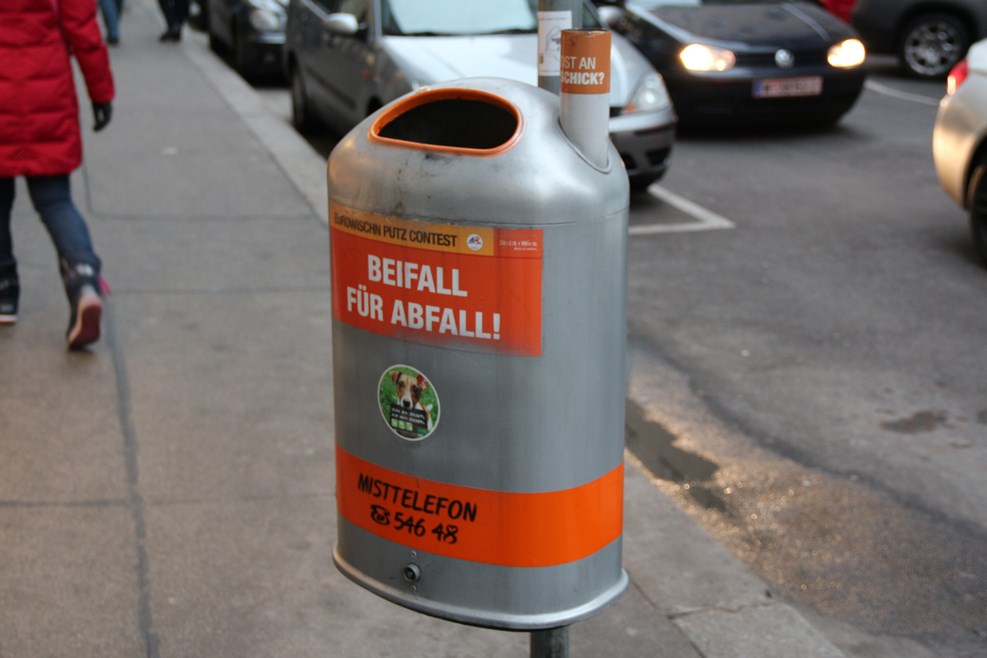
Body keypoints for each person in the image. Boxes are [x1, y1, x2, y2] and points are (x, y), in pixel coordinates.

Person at [0, 0, 115, 349]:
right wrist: (100, 92)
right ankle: (83, 279)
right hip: (47, 90)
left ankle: (4, 292)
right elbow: (83, 28)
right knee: (55, 200)